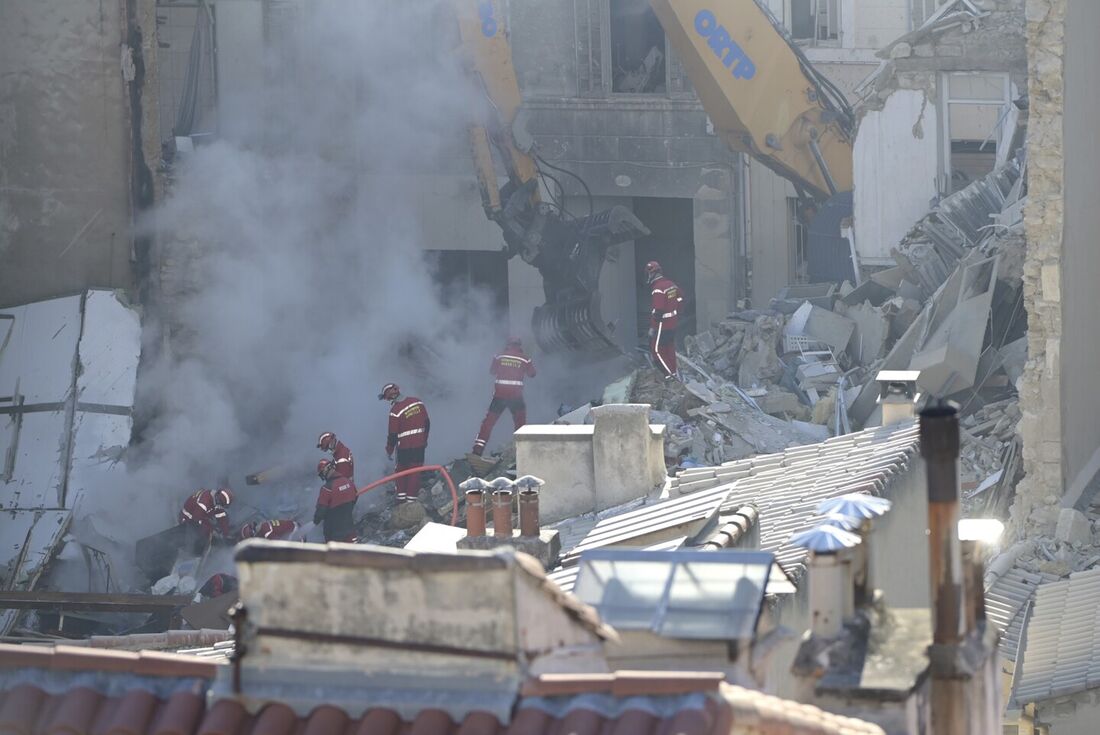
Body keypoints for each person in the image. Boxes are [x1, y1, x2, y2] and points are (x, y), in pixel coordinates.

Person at [472, 337, 536, 456]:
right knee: (520, 423)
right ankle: (522, 450)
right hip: (516, 397)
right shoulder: (525, 359)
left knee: (488, 423)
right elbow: (532, 374)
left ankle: (477, 450)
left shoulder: (499, 356)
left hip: (499, 396)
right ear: (519, 346)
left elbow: (492, 371)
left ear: (508, 345)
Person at [379, 382, 430, 503]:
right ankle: (411, 501)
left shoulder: (395, 411)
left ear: (389, 397)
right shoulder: (417, 402)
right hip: (419, 446)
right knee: (415, 472)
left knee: (401, 473)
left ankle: (402, 500)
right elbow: (427, 424)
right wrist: (424, 440)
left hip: (404, 448)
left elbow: (392, 436)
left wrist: (389, 451)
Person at [645, 260, 684, 379]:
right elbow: (680, 298)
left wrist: (653, 327)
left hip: (662, 325)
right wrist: (676, 312)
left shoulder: (658, 288)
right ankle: (674, 371)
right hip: (673, 323)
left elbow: (658, 310)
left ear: (651, 274)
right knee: (669, 348)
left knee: (656, 351)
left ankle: (670, 375)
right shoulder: (671, 285)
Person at [313, 459, 358, 542]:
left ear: (326, 470)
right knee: (353, 554)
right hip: (350, 531)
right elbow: (355, 497)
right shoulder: (348, 482)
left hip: (335, 536)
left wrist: (315, 521)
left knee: (336, 555)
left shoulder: (327, 489)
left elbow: (320, 511)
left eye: (322, 474)